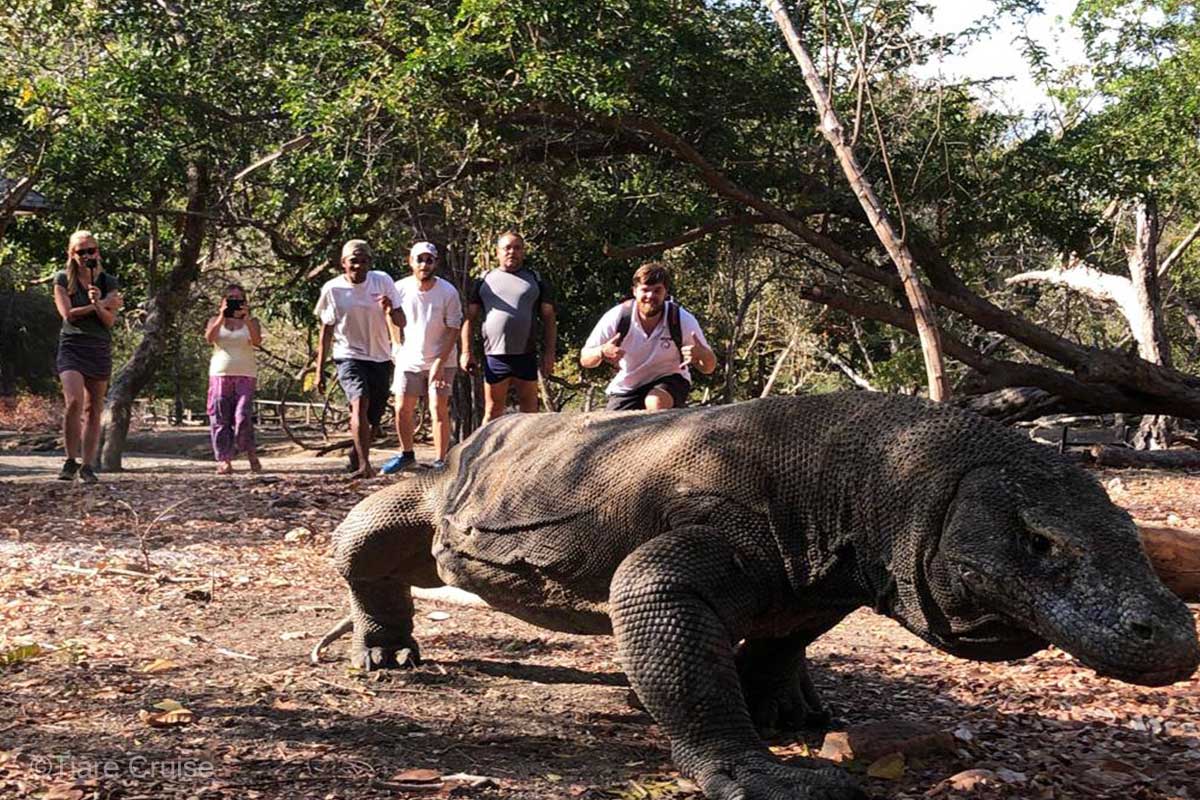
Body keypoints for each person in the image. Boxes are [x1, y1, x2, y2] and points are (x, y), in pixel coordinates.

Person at [314, 240, 404, 478]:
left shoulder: (382, 281)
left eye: (364, 261)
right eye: (353, 261)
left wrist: (390, 309)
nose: (359, 266)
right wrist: (319, 370)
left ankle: (356, 455)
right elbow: (326, 332)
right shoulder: (333, 289)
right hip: (349, 355)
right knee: (359, 401)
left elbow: (401, 320)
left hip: (380, 356)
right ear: (343, 263)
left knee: (374, 417)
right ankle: (365, 465)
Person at [580, 262, 716, 410]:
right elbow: (585, 359)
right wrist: (601, 351)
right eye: (645, 290)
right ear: (634, 291)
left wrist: (701, 354)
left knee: (655, 402)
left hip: (670, 379)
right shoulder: (618, 317)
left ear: (665, 292)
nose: (650, 296)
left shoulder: (681, 319)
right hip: (629, 387)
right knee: (612, 423)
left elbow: (709, 368)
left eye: (657, 290)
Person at [381, 242, 463, 473]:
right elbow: (390, 314)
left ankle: (440, 460)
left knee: (438, 407)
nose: (424, 265)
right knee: (402, 407)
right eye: (420, 259)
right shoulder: (399, 288)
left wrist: (439, 363)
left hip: (442, 357)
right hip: (409, 357)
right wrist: (396, 343)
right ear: (411, 262)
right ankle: (406, 454)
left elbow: (454, 328)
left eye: (429, 260)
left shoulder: (448, 292)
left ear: (435, 263)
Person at [460, 231, 556, 423]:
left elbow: (549, 318)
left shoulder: (535, 280)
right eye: (507, 248)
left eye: (517, 248)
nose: (512, 252)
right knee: (493, 411)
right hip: (495, 356)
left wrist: (549, 354)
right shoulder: (484, 280)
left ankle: (529, 444)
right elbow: (470, 318)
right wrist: (466, 352)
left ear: (523, 252)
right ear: (497, 252)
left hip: (526, 355)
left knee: (530, 413)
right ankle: (485, 444)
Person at [52, 230, 122, 483]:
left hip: (98, 346)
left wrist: (101, 304)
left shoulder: (108, 281)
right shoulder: (62, 279)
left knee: (94, 409)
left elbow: (109, 321)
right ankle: (70, 460)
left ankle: (87, 465)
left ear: (97, 252)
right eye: (81, 251)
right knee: (74, 402)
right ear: (72, 254)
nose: (86, 255)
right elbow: (68, 314)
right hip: (73, 344)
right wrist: (98, 304)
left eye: (90, 250)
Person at [204, 283, 263, 475]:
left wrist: (246, 319)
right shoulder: (215, 320)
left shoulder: (252, 321)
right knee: (220, 418)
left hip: (246, 374)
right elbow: (209, 338)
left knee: (242, 417)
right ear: (223, 300)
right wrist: (222, 316)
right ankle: (224, 460)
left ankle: (250, 452)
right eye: (230, 298)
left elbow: (257, 341)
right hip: (220, 374)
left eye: (238, 298)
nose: (234, 301)